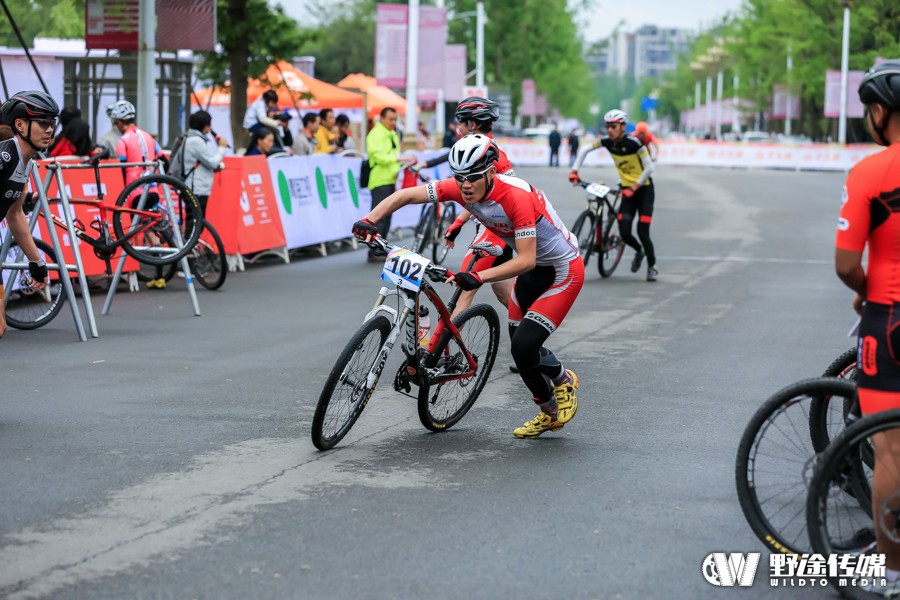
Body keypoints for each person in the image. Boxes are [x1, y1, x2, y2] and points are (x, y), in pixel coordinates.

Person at [352, 134, 582, 439]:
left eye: (473, 177)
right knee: (524, 345)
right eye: (459, 178)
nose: (465, 185)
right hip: (535, 270)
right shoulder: (460, 188)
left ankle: (552, 407)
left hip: (561, 271)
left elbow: (527, 259)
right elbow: (406, 195)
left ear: (491, 172)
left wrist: (481, 277)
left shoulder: (517, 197)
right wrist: (370, 219)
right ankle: (561, 375)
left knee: (522, 346)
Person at [834, 59, 900, 594]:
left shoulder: (871, 172)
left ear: (880, 113)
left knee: (892, 450)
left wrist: (864, 290)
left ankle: (895, 572)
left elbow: (845, 263)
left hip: (891, 316)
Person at [569, 109, 658, 282]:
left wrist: (634, 187)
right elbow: (585, 150)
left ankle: (652, 266)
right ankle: (639, 251)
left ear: (623, 127)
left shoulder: (635, 144)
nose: (610, 130)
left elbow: (649, 168)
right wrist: (574, 171)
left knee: (642, 232)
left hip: (644, 190)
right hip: (626, 191)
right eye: (608, 126)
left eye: (614, 126)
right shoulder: (607, 142)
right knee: (624, 231)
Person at [0, 91, 56, 337]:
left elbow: (15, 215)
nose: (49, 129)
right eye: (43, 123)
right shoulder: (4, 156)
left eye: (52, 123)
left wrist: (37, 261)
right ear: (20, 125)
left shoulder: (26, 164)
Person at [364, 107, 406, 262]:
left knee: (387, 217)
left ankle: (380, 249)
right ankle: (374, 251)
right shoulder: (376, 134)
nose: (393, 122)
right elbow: (380, 157)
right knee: (378, 218)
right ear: (382, 118)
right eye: (390, 119)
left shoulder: (392, 133)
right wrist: (398, 159)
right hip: (379, 180)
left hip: (390, 180)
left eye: (395, 119)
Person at [182, 110, 228, 217]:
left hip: (197, 187)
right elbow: (212, 163)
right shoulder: (196, 141)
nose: (210, 128)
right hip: (196, 188)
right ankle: (191, 235)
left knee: (197, 221)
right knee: (196, 221)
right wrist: (222, 148)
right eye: (209, 125)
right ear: (205, 126)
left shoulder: (192, 138)